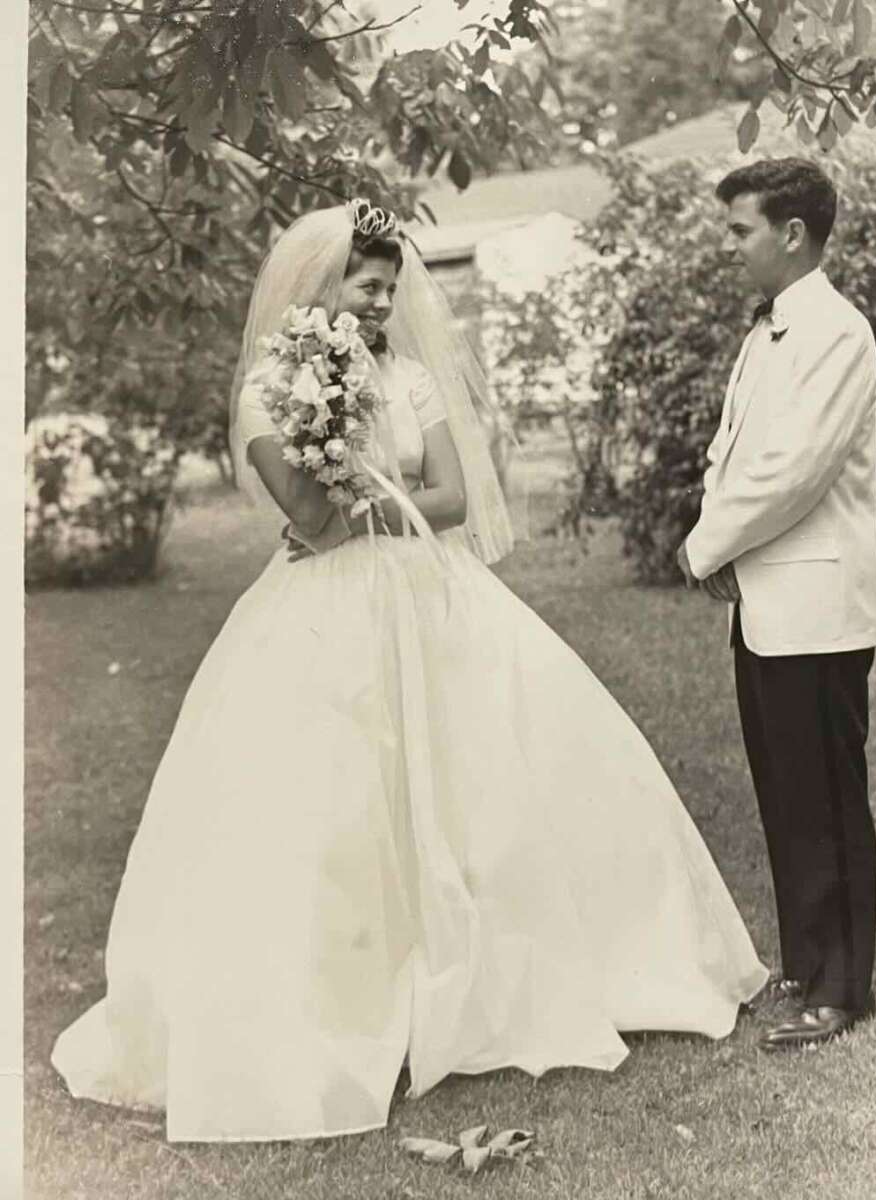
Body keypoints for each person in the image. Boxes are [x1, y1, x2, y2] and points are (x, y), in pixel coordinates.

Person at [51, 201, 767, 1143]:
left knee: (487, 774)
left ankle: (497, 972)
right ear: (321, 289)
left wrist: (373, 504)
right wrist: (341, 457)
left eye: (391, 288)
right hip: (320, 612)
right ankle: (344, 993)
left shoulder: (411, 377)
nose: (383, 303)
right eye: (367, 285)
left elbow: (452, 496)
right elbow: (309, 521)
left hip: (430, 593)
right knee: (331, 797)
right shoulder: (272, 390)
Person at [677, 158, 876, 1051]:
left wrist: (703, 545)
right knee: (785, 790)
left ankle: (842, 990)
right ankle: (804, 963)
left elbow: (789, 471)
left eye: (739, 231)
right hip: (766, 601)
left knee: (828, 795)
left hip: (814, 605)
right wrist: (724, 540)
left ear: (791, 233)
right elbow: (734, 456)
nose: (730, 249)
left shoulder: (836, 331)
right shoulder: (768, 330)